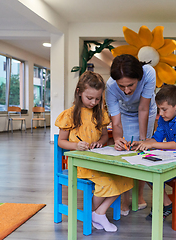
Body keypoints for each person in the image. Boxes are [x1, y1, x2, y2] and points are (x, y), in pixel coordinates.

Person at [55, 71, 133, 232]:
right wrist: (76, 146)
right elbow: (62, 142)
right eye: (89, 98)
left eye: (97, 99)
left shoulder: (100, 114)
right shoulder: (69, 115)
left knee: (126, 178)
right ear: (79, 92)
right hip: (79, 165)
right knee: (108, 183)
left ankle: (96, 213)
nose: (93, 102)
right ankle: (97, 214)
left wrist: (99, 142)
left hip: (97, 161)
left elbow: (104, 136)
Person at [131, 85, 176, 221]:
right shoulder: (164, 119)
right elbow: (156, 139)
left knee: (156, 174)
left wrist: (151, 144)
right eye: (159, 109)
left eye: (164, 109)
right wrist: (143, 143)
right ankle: (167, 204)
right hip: (175, 159)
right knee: (147, 170)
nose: (161, 113)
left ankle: (163, 205)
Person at [105, 54, 157, 215]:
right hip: (125, 113)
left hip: (146, 111)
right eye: (122, 86)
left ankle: (139, 196)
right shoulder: (110, 86)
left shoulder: (148, 73)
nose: (126, 90)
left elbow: (143, 108)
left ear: (138, 78)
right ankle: (124, 197)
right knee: (124, 151)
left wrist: (143, 140)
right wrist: (117, 140)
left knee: (141, 152)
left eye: (131, 85)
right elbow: (116, 122)